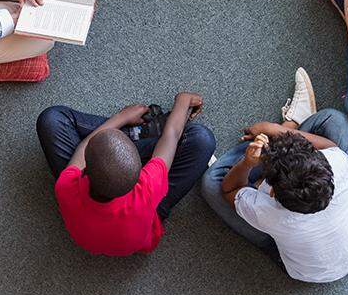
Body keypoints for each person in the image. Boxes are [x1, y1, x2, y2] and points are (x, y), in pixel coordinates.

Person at [200, 68, 348, 283]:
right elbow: (330, 146)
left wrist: (248, 162)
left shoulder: (269, 213)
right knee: (332, 120)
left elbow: (228, 189)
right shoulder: (338, 165)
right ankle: (287, 128)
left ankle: (281, 132)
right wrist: (272, 129)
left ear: (271, 192)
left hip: (300, 268)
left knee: (211, 183)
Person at [36, 92, 215, 256]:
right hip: (148, 217)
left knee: (51, 119)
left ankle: (130, 133)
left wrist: (122, 117)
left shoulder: (66, 185)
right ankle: (137, 135)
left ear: (85, 170)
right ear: (140, 174)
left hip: (91, 227)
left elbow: (86, 147)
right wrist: (183, 100)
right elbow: (172, 135)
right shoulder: (147, 187)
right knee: (202, 139)